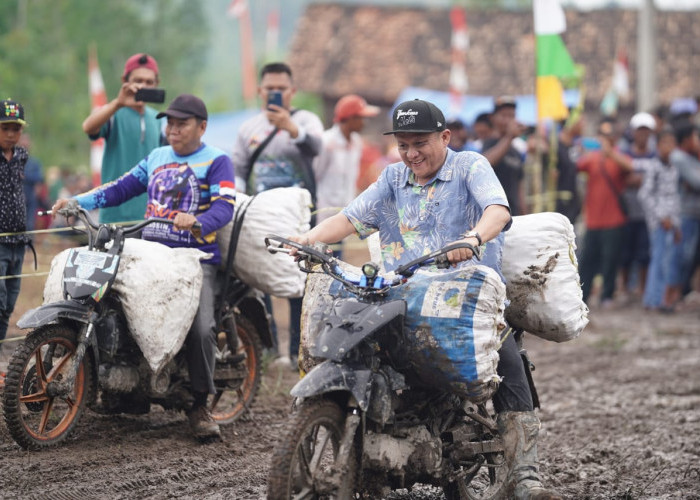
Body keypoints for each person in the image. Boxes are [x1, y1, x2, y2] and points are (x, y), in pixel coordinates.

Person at [288, 98, 560, 500]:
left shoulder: (470, 166)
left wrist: (472, 238)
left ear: (445, 136)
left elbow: (498, 212)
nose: (412, 154)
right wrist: (308, 239)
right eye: (403, 145)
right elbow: (349, 218)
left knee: (505, 357)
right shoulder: (393, 179)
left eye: (420, 144)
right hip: (405, 299)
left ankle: (525, 475)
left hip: (469, 304)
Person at [54, 94, 235, 440]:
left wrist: (197, 221)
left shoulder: (217, 161)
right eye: (169, 123)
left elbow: (226, 206)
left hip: (196, 259)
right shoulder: (156, 157)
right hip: (150, 255)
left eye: (181, 124)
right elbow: (120, 189)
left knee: (201, 329)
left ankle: (199, 404)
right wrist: (79, 202)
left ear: (202, 127)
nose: (172, 129)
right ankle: (127, 389)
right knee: (112, 306)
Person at [231, 62, 324, 370]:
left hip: (298, 217)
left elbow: (316, 146)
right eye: (269, 88)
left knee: (301, 279)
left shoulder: (306, 120)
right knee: (263, 276)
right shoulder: (249, 128)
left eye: (281, 88)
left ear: (292, 91)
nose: (275, 93)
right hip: (261, 217)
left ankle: (300, 348)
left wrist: (290, 128)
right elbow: (238, 172)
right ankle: (269, 349)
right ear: (260, 91)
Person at [82, 53, 164, 225]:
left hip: (149, 216)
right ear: (125, 81)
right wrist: (118, 103)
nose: (143, 86)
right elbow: (88, 127)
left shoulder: (158, 120)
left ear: (157, 84)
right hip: (114, 216)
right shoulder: (113, 114)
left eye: (149, 82)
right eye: (138, 81)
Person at [576, 119, 633, 307]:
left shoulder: (619, 156)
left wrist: (611, 154)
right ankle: (583, 296)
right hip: (593, 220)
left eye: (609, 136)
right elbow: (576, 166)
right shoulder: (592, 157)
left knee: (610, 260)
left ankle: (607, 296)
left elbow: (629, 167)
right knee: (588, 260)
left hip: (614, 219)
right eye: (603, 136)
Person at [314, 94, 379, 226]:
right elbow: (315, 174)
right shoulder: (327, 143)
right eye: (361, 118)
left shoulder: (356, 142)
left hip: (345, 212)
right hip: (324, 213)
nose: (364, 122)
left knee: (339, 246)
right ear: (351, 118)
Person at [638, 128, 681, 311]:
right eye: (665, 143)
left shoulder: (674, 167)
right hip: (659, 222)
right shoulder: (653, 167)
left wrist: (676, 222)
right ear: (657, 146)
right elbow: (644, 195)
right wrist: (660, 216)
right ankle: (653, 300)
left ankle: (661, 299)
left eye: (672, 143)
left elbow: (675, 197)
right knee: (659, 259)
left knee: (668, 261)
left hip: (673, 221)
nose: (669, 147)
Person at [0, 99, 30, 359]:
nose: (11, 134)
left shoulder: (21, 156)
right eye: (5, 128)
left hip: (18, 241)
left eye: (16, 129)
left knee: (10, 301)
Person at [619, 112, 657, 301]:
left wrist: (637, 178)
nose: (643, 135)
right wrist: (644, 179)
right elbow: (625, 179)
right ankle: (625, 289)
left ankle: (642, 289)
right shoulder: (625, 154)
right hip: (627, 211)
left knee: (644, 253)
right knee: (625, 253)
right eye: (640, 131)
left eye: (646, 131)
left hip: (648, 214)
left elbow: (649, 180)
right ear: (633, 132)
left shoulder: (654, 154)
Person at [670, 122, 700, 301]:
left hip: (694, 213)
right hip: (685, 213)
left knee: (691, 255)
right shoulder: (679, 157)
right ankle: (675, 294)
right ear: (687, 139)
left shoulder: (690, 158)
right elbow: (697, 182)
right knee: (682, 254)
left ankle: (684, 291)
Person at [483, 96, 527, 215]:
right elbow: (484, 164)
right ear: (492, 118)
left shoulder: (516, 152)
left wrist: (525, 215)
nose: (508, 120)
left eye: (511, 116)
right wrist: (509, 137)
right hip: (493, 217)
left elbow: (519, 189)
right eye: (503, 116)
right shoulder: (487, 144)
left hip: (514, 216)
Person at [18, 134, 44, 233]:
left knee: (30, 223)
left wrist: (24, 176)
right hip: (16, 196)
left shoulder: (35, 162)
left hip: (31, 197)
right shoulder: (13, 161)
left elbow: (39, 178)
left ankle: (28, 245)